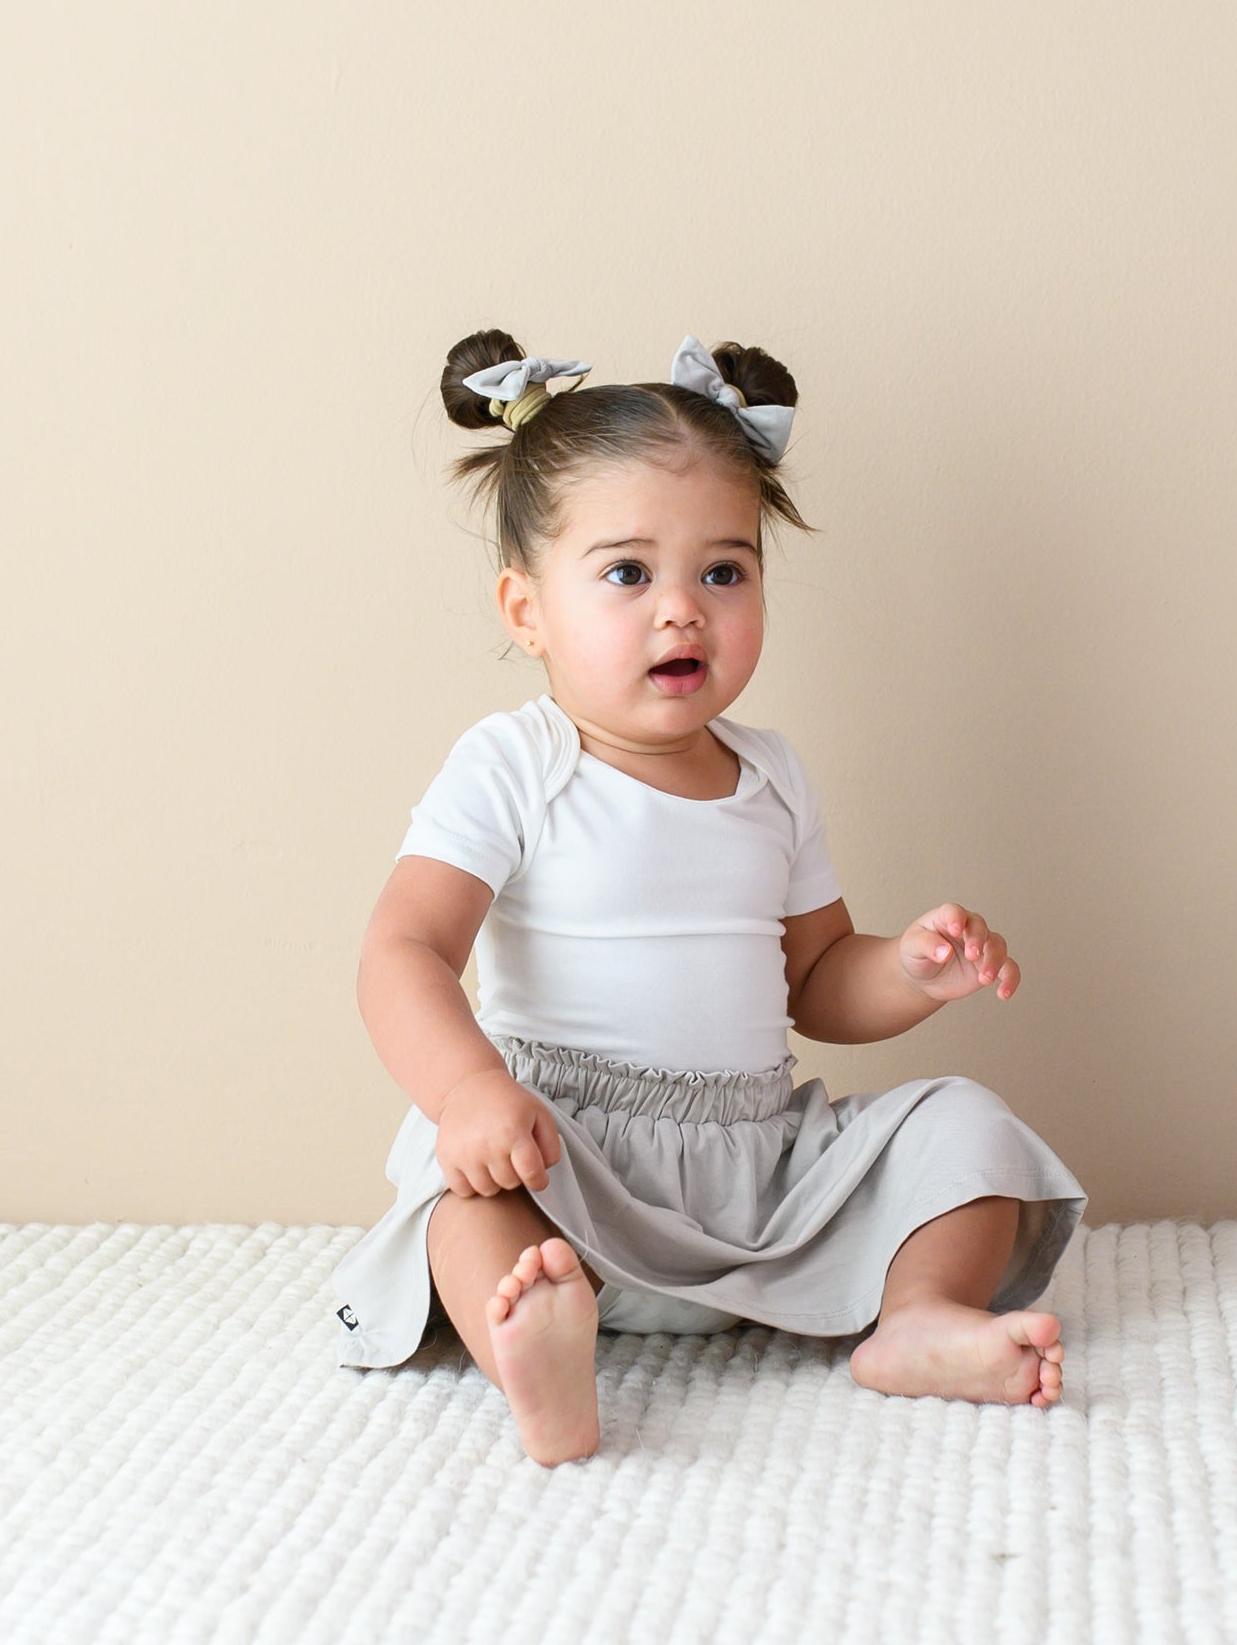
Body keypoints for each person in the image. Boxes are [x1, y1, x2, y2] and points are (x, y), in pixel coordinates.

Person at [333, 329, 1088, 1465]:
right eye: (628, 573)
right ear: (527, 609)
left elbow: (820, 983)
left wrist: (908, 971)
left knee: (968, 1128)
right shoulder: (517, 764)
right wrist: (470, 1091)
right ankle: (541, 1359)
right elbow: (401, 952)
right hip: (567, 1162)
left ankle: (921, 1314)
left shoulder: (773, 775)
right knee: (464, 1205)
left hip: (757, 1169)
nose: (682, 610)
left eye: (723, 572)